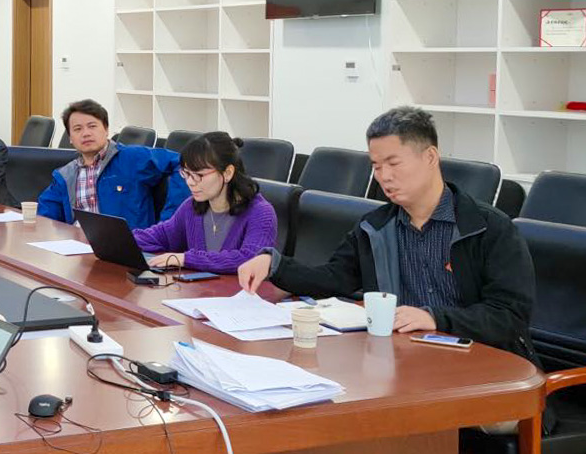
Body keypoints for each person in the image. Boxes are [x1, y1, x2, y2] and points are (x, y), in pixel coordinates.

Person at [238, 105, 536, 373]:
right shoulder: (376, 227)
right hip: (405, 364)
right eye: (376, 166)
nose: (384, 176)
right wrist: (273, 264)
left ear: (430, 157)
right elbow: (332, 279)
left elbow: (509, 316)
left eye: (394, 163)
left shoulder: (488, 228)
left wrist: (435, 318)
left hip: (484, 368)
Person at [134, 132, 276, 273]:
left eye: (199, 175)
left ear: (227, 173)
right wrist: (123, 239)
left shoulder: (261, 213)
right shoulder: (191, 207)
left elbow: (251, 259)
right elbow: (161, 236)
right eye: (186, 173)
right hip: (202, 287)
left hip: (238, 288)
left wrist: (185, 258)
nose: (190, 182)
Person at [36, 99, 178, 230]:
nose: (86, 133)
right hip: (78, 245)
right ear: (70, 138)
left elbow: (181, 162)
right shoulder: (65, 176)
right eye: (78, 129)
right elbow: (44, 218)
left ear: (106, 129)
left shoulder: (133, 157)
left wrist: (170, 221)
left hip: (128, 245)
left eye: (92, 126)